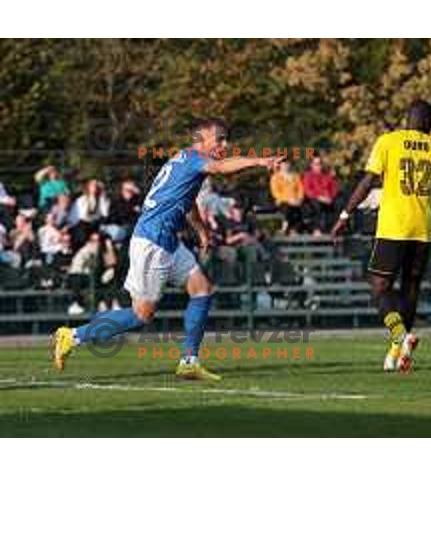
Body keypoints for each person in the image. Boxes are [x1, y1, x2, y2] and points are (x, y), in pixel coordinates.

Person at [51, 118, 282, 380]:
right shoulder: (194, 157)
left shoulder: (185, 161)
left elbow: (188, 201)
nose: (224, 144)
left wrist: (202, 232)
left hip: (169, 240)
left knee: (202, 289)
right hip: (152, 241)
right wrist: (260, 161)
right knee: (141, 315)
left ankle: (189, 361)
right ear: (200, 140)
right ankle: (72, 336)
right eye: (219, 139)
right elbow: (220, 168)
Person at [332, 99, 431, 373]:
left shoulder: (388, 141)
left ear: (407, 119)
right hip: (422, 229)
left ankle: (399, 336)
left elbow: (367, 181)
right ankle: (398, 352)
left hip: (393, 227)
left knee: (379, 287)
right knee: (410, 290)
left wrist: (344, 215)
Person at [302, 157, 338, 235]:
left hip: (328, 199)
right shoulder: (308, 175)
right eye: (316, 164)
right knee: (317, 206)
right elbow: (308, 190)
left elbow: (334, 188)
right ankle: (318, 230)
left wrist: (330, 198)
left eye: (320, 164)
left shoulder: (327, 175)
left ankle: (336, 229)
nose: (319, 166)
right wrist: (319, 197)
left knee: (339, 203)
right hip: (314, 199)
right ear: (311, 165)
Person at [270, 160, 304, 234]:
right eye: (283, 163)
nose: (286, 165)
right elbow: (276, 193)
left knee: (299, 210)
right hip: (282, 201)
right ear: (280, 165)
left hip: (296, 201)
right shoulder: (275, 177)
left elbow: (300, 189)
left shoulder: (296, 176)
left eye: (287, 163)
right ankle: (286, 227)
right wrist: (288, 199)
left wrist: (299, 199)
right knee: (288, 208)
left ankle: (293, 229)